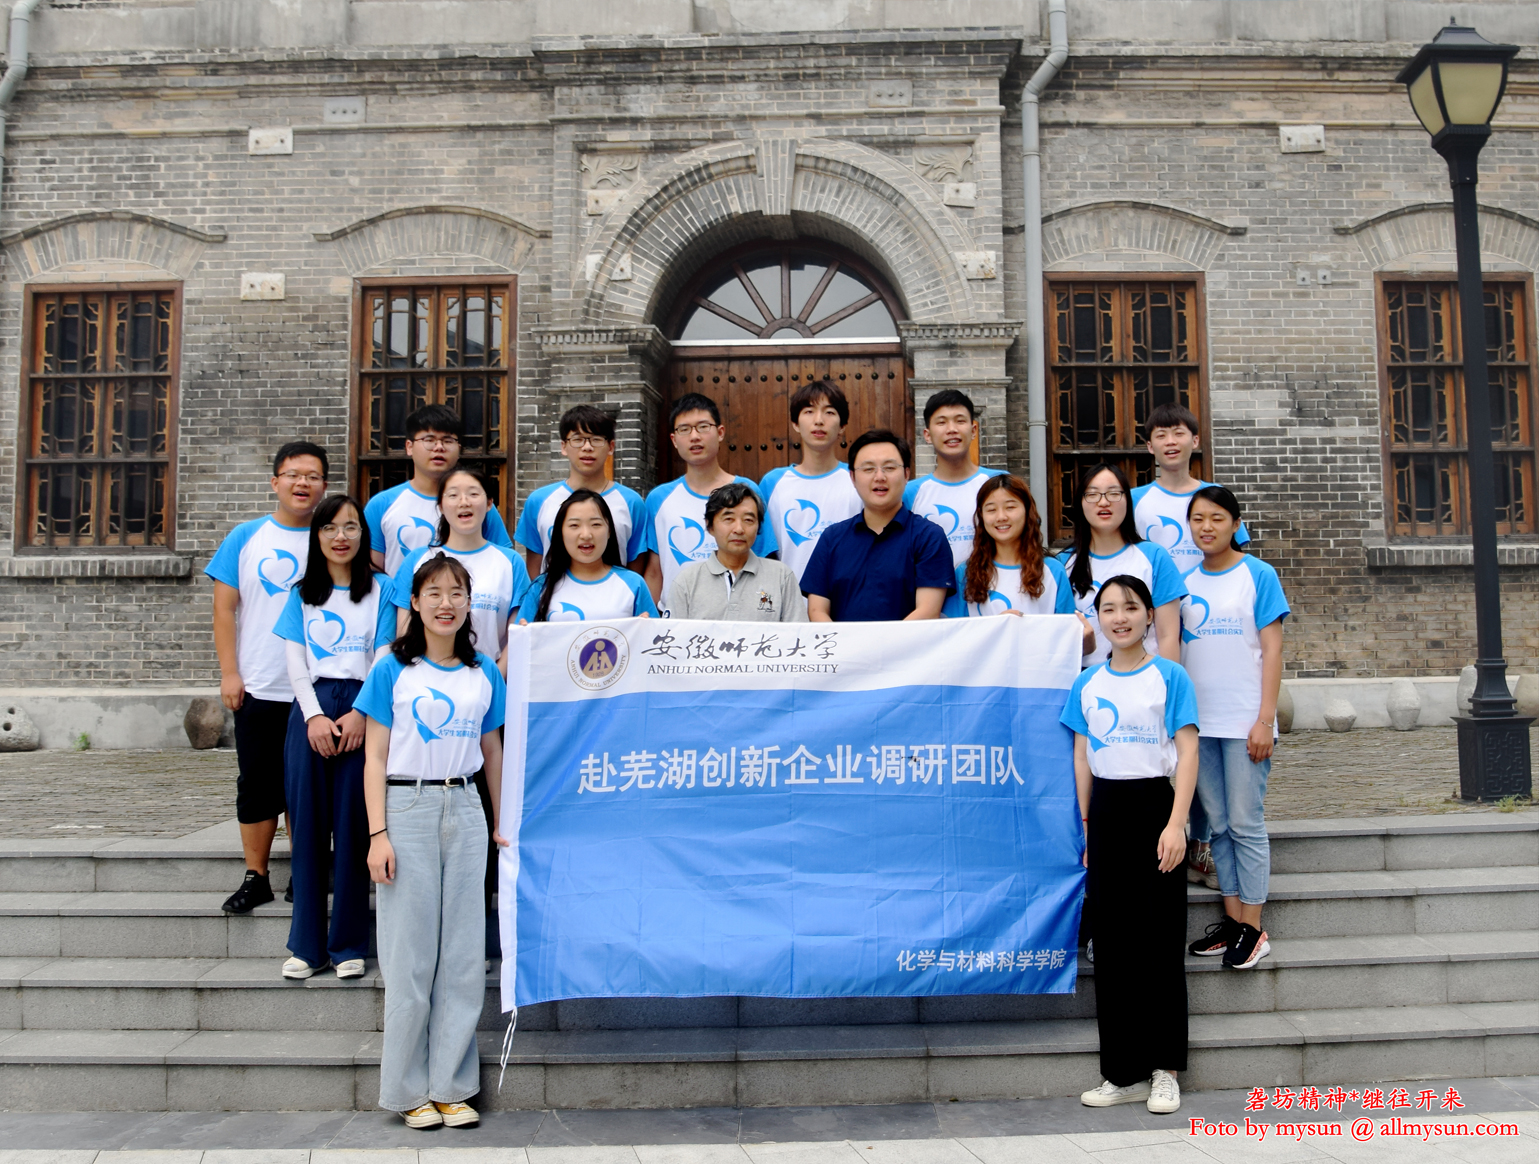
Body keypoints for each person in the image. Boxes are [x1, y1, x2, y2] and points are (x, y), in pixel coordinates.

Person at [357, 554, 507, 1131]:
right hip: (407, 807)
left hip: (464, 807)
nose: (447, 603)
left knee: (464, 957)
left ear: (470, 603)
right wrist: (377, 834)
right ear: (415, 603)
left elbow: (491, 752)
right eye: (435, 593)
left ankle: (451, 1086)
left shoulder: (483, 672)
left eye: (457, 593)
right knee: (409, 957)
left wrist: (501, 822)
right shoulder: (392, 670)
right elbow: (374, 757)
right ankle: (406, 1089)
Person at [1061, 575, 1198, 1116]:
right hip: (1108, 813)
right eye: (1110, 609)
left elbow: (1188, 751)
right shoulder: (1087, 682)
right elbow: (1081, 756)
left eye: (1131, 607)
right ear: (1099, 618)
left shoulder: (1170, 676)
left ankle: (1164, 1070)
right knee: (1114, 947)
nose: (1120, 617)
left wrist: (1177, 823)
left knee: (1159, 942)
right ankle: (1121, 1072)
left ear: (1148, 616)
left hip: (1156, 808)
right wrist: (1086, 825)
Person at [272, 494, 397, 980]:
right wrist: (314, 717)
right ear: (317, 536)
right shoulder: (302, 593)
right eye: (329, 528)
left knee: (352, 827)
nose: (340, 537)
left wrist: (363, 712)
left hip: (365, 708)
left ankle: (347, 946)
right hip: (313, 710)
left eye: (350, 527)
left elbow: (384, 655)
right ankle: (306, 946)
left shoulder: (382, 588)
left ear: (363, 534)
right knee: (307, 828)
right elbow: (294, 662)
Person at [206, 441, 328, 915]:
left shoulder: (330, 537)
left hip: (316, 687)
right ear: (275, 482)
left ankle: (305, 872)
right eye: (294, 474)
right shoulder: (246, 536)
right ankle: (256, 876)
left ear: (324, 485)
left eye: (313, 476)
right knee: (257, 782)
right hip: (260, 682)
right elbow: (224, 609)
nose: (303, 483)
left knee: (306, 785)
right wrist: (229, 673)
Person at [1181, 486, 1288, 971]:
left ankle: (1254, 928)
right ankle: (1232, 923)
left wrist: (1265, 719)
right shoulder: (1184, 583)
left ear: (1235, 524)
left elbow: (1273, 650)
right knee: (1219, 827)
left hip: (1246, 722)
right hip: (1200, 727)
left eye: (1217, 518)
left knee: (1246, 823)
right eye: (1198, 519)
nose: (1207, 527)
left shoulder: (1258, 575)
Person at [802, 429, 953, 622]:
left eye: (889, 468)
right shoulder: (832, 538)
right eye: (868, 469)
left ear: (906, 474)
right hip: (843, 643)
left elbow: (928, 611)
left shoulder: (928, 537)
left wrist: (880, 642)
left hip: (909, 643)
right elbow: (817, 610)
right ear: (853, 478)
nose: (879, 477)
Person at [638, 393, 770, 613]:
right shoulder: (658, 498)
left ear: (720, 432)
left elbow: (764, 560)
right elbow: (654, 571)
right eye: (684, 429)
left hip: (736, 617)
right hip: (677, 617)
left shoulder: (747, 491)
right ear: (674, 440)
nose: (694, 436)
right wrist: (650, 620)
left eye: (703, 427)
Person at [391, 466, 531, 666]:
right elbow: (404, 630)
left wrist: (493, 678)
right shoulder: (416, 560)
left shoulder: (510, 562)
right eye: (453, 495)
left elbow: (516, 635)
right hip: (424, 676)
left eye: (473, 494)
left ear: (489, 503)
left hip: (490, 677)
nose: (464, 502)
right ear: (441, 506)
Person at [1060, 464, 1186, 668]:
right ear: (1080, 503)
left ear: (1128, 500)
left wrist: (1167, 682)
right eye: (1092, 494)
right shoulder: (1063, 563)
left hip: (1144, 675)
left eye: (1113, 493)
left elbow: (1168, 636)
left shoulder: (1154, 557)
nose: (1103, 502)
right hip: (1084, 678)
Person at [365, 404, 513, 577]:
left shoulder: (476, 505)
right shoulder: (382, 505)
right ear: (409, 447)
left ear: (459, 449)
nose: (439, 447)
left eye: (448, 441)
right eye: (429, 440)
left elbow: (503, 564)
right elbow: (375, 574)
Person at [514, 404, 646, 577]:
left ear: (611, 447)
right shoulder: (539, 500)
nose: (587, 447)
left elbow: (635, 571)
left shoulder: (631, 502)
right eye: (577, 439)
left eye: (596, 439)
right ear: (563, 446)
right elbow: (535, 570)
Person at [942, 474, 1082, 632]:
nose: (1001, 517)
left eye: (1010, 507)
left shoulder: (1053, 571)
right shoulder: (965, 573)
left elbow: (1066, 634)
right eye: (991, 510)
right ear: (981, 516)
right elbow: (953, 634)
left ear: (1027, 511)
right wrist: (997, 628)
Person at [758, 380, 862, 583]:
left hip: (848, 599)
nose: (819, 420)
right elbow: (762, 553)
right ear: (795, 424)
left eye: (829, 412)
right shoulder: (773, 483)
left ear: (842, 426)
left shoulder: (858, 479)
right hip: (789, 599)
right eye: (809, 411)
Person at [1131, 402, 1250, 578]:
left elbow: (1235, 555)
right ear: (1150, 446)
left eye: (1179, 433)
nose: (1170, 442)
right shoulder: (1133, 499)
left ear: (1195, 441)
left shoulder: (1217, 495)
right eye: (1161, 435)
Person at [668, 483, 806, 622]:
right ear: (710, 526)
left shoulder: (781, 577)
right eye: (729, 519)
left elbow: (798, 633)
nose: (739, 529)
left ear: (758, 526)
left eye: (748, 520)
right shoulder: (686, 582)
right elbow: (673, 634)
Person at [517, 489, 658, 623]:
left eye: (595, 524)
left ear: (609, 531)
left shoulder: (634, 584)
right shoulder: (541, 587)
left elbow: (654, 637)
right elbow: (523, 636)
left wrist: (646, 628)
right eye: (574, 525)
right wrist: (523, 631)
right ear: (560, 533)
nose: (586, 535)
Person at [902, 389, 1005, 567]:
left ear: (973, 430)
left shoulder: (998, 482)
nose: (952, 429)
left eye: (960, 421)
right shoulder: (910, 493)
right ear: (927, 435)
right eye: (941, 422)